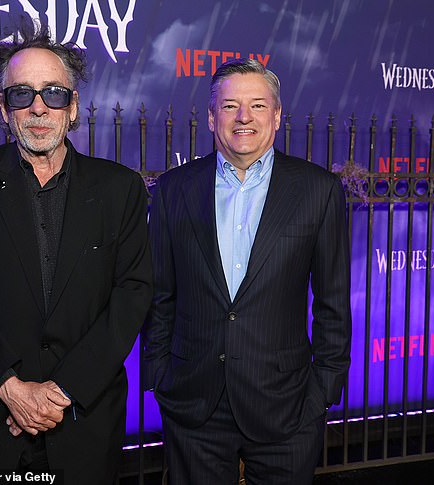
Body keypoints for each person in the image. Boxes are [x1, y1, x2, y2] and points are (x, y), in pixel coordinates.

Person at [0, 22, 152, 485]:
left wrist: (59, 393)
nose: (38, 107)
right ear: (2, 109)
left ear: (73, 108)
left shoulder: (120, 189)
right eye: (21, 95)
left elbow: (131, 297)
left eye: (54, 93)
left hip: (84, 424)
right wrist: (12, 391)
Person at [143, 58, 351, 485]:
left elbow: (334, 304)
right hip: (194, 405)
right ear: (210, 116)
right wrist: (161, 379)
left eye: (257, 106)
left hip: (287, 407)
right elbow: (160, 295)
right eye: (230, 105)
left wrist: (321, 394)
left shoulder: (318, 191)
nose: (244, 118)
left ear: (276, 116)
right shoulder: (173, 190)